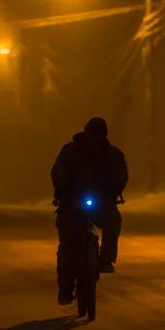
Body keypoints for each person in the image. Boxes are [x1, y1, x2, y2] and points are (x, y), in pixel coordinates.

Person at [51, 117, 128, 305]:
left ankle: (106, 259)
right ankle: (66, 288)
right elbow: (58, 172)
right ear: (86, 134)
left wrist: (113, 190)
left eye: (100, 137)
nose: (96, 141)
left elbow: (121, 175)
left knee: (113, 220)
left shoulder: (112, 154)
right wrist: (62, 189)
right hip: (71, 203)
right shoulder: (70, 151)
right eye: (93, 136)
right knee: (68, 244)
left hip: (101, 202)